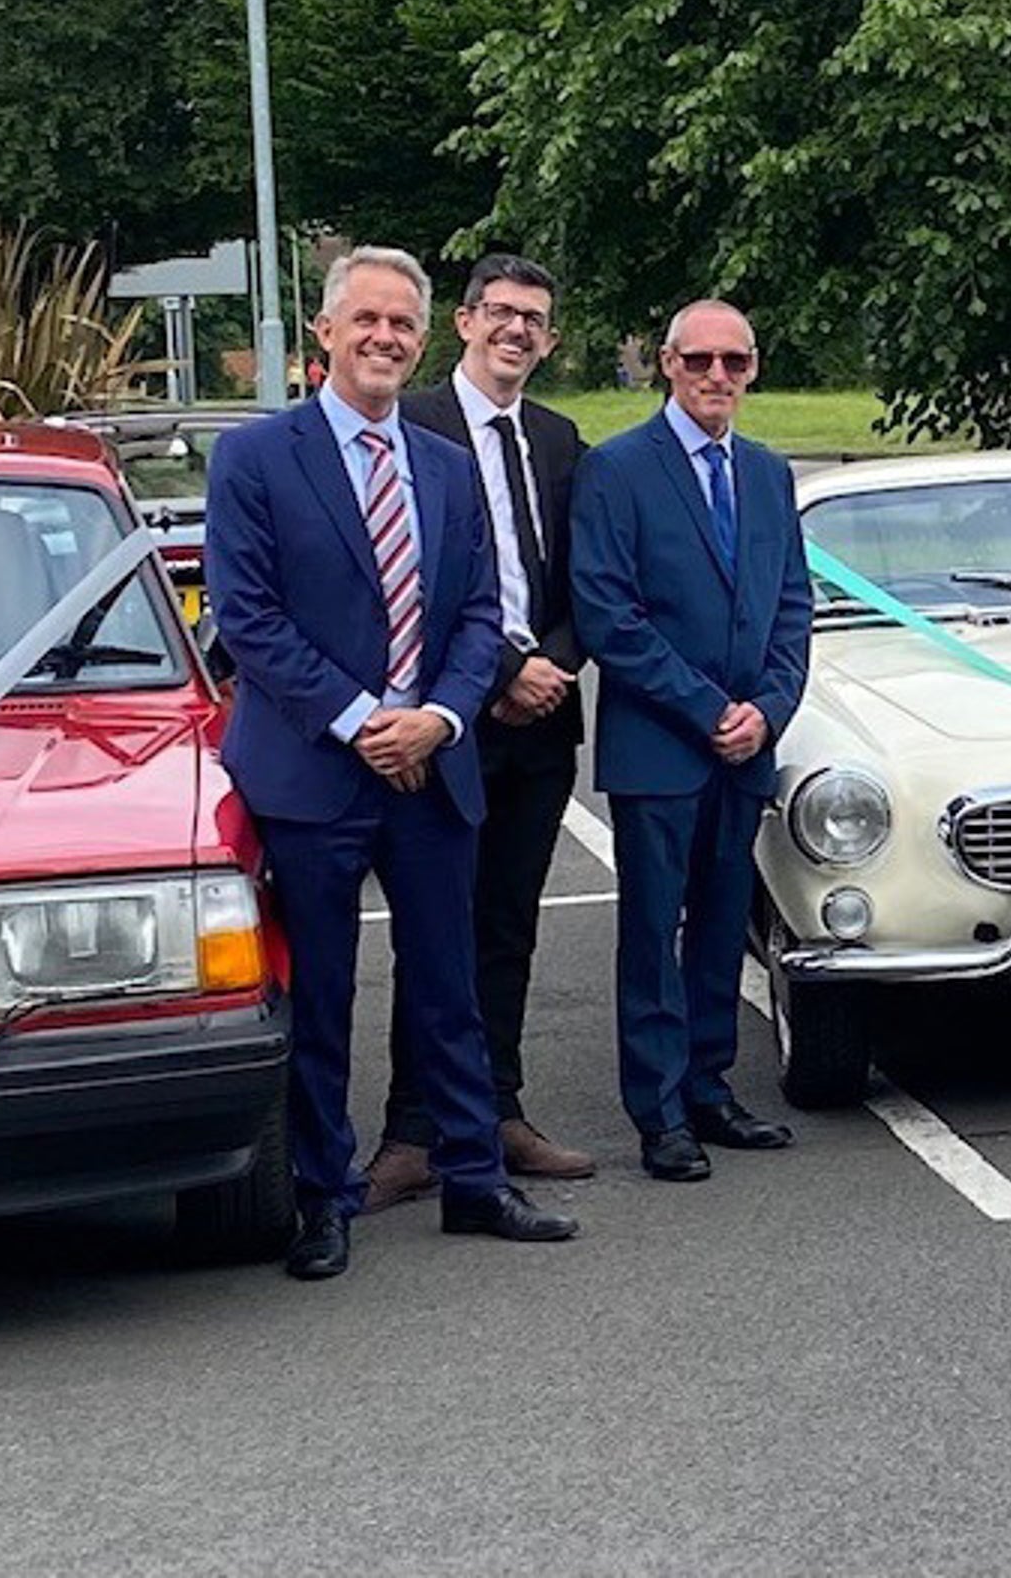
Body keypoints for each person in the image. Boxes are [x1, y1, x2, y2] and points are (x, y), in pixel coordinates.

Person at [205, 247, 579, 1280]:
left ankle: (473, 1179)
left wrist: (444, 720)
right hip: (315, 771)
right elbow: (250, 619)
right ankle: (323, 1199)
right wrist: (369, 719)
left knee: (448, 984)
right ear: (323, 334)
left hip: (433, 764)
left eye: (401, 324)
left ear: (423, 338)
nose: (384, 338)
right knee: (323, 994)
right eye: (364, 320)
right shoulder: (255, 460)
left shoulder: (444, 466)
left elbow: (475, 616)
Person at [364, 254, 595, 1202]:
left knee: (507, 928)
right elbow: (410, 581)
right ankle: (412, 1132)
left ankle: (498, 1111)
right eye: (501, 313)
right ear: (463, 323)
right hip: (446, 720)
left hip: (541, 729)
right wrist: (500, 671)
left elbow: (586, 576)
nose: (517, 331)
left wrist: (555, 665)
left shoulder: (558, 436)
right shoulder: (412, 423)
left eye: (534, 318)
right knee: (433, 928)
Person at [570, 298, 815, 1181]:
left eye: (735, 363)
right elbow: (609, 615)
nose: (718, 377)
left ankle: (710, 1088)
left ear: (753, 369)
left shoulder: (768, 472)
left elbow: (792, 605)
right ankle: (659, 1109)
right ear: (668, 364)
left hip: (747, 748)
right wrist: (710, 709)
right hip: (662, 748)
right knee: (652, 933)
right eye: (700, 360)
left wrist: (769, 710)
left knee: (721, 927)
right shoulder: (618, 469)